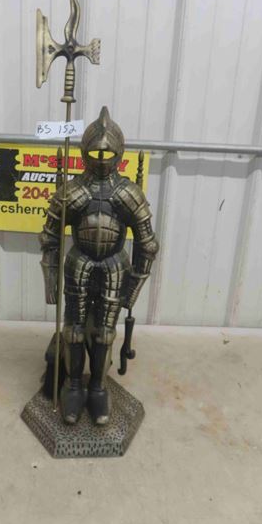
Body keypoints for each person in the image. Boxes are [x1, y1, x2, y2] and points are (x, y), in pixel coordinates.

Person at [40, 106, 159, 425]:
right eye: (96, 151)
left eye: (108, 152)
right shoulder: (72, 191)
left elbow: (148, 245)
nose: (102, 158)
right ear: (84, 152)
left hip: (114, 266)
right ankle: (73, 387)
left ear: (119, 153)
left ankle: (98, 388)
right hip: (78, 263)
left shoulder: (128, 193)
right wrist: (50, 282)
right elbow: (50, 238)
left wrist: (133, 290)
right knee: (73, 331)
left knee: (105, 334)